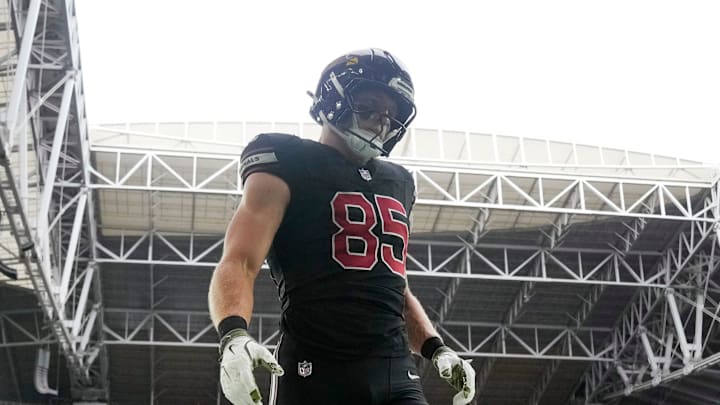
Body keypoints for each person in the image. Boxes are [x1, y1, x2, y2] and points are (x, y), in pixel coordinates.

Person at [208, 48, 476, 405]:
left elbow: (394, 285)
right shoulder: (286, 159)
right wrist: (233, 334)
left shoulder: (399, 182)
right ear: (334, 98)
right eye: (369, 106)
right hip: (315, 368)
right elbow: (239, 260)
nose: (381, 122)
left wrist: (435, 348)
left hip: (396, 370)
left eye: (390, 115)